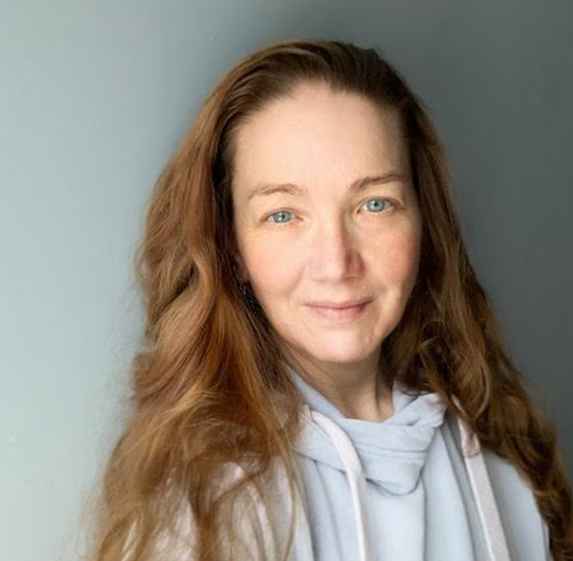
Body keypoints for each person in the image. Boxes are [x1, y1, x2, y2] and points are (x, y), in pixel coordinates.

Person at [84, 39, 573, 561]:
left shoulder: (503, 460)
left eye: (374, 204)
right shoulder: (202, 510)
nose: (337, 264)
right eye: (283, 215)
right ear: (233, 249)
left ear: (423, 221)